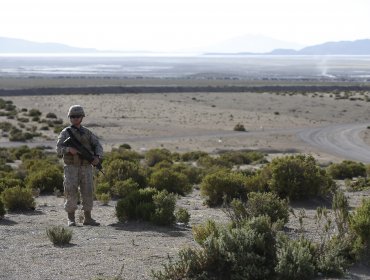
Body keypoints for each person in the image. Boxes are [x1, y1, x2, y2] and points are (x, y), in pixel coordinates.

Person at [56, 105, 103, 226]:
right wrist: (68, 150)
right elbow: (58, 149)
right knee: (70, 191)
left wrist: (97, 157)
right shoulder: (65, 133)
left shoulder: (87, 132)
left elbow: (97, 145)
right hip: (71, 167)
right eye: (72, 117)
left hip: (86, 167)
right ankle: (71, 219)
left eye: (77, 116)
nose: (75, 119)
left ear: (82, 117)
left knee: (87, 191)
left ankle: (88, 218)